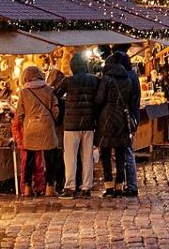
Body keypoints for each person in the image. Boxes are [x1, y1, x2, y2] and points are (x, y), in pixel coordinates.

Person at [96, 51, 137, 197]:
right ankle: (119, 185)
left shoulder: (106, 79)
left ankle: (108, 187)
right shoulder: (127, 79)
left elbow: (99, 99)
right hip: (121, 118)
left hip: (106, 119)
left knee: (106, 154)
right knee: (120, 153)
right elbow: (131, 100)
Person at [58, 54, 99, 198]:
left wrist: (67, 103)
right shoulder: (94, 80)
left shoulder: (68, 81)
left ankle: (70, 187)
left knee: (70, 157)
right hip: (88, 124)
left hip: (71, 124)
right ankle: (86, 187)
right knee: (87, 157)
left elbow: (56, 94)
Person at [16, 65, 59, 196]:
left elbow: (20, 113)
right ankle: (49, 188)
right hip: (46, 126)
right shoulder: (49, 90)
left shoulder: (23, 92)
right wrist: (51, 121)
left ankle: (28, 188)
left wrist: (27, 124)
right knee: (50, 157)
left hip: (30, 127)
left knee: (29, 158)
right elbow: (56, 109)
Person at [113, 45, 141, 196]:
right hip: (133, 115)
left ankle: (132, 185)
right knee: (126, 150)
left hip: (128, 117)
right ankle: (129, 184)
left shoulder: (128, 77)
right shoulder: (133, 75)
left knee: (127, 150)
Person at [44, 68, 66, 196]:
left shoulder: (46, 93)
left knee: (49, 158)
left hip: (48, 128)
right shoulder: (59, 96)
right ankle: (58, 184)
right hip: (58, 130)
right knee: (58, 158)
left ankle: (49, 186)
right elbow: (59, 114)